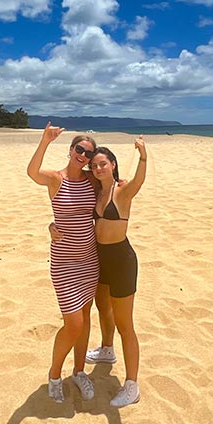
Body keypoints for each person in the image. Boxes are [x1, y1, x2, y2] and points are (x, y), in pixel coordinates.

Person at [52, 137, 148, 407]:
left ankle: (132, 385)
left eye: (103, 164)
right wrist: (52, 225)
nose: (98, 169)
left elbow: (140, 180)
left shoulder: (123, 191)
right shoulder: (95, 190)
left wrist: (143, 156)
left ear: (113, 165)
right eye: (94, 165)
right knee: (102, 309)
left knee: (124, 324)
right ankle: (107, 350)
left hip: (121, 261)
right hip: (97, 260)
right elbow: (72, 210)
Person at [26, 122, 100, 404]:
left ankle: (79, 371)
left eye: (88, 154)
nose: (83, 155)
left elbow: (111, 190)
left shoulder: (91, 180)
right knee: (73, 324)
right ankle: (55, 374)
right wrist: (44, 141)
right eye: (80, 150)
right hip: (65, 263)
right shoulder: (56, 179)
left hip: (90, 260)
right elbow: (32, 173)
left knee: (86, 319)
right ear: (71, 151)